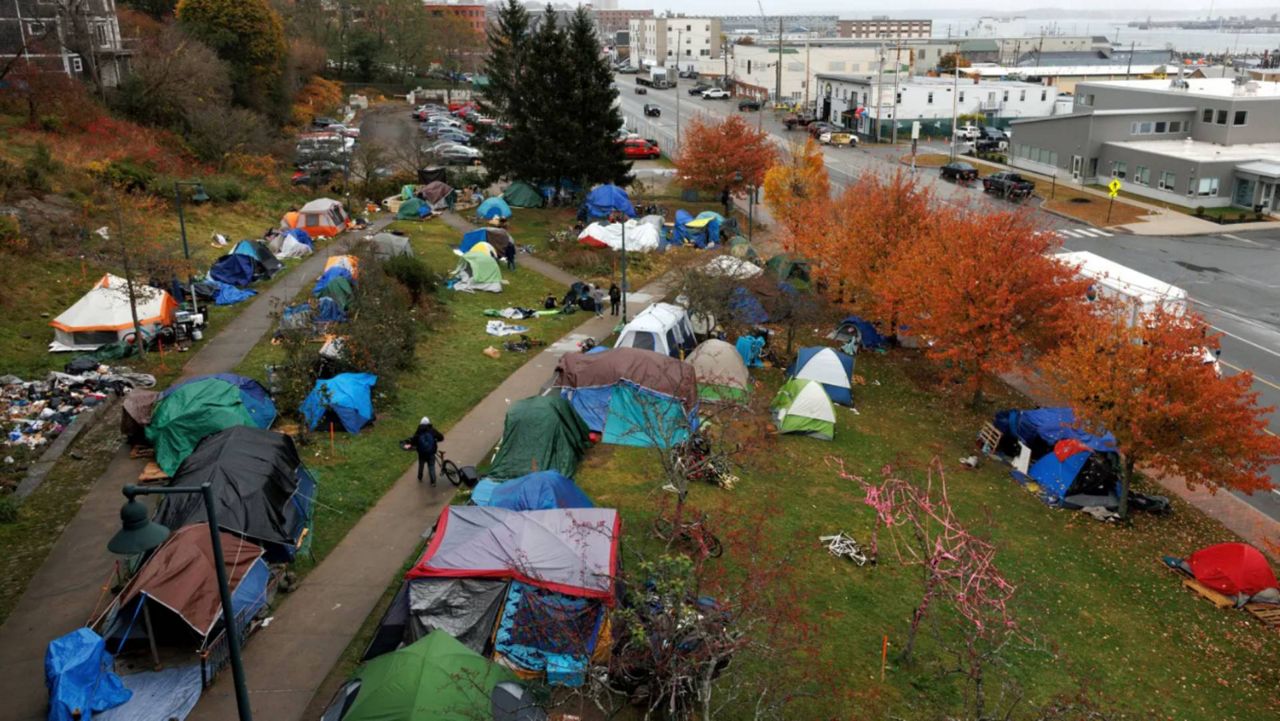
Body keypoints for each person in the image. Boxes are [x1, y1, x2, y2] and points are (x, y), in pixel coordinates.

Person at [407, 417, 445, 485]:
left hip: (422, 453)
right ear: (428, 423)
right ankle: (433, 481)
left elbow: (413, 442)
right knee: (431, 466)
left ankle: (420, 477)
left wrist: (411, 444)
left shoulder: (418, 432)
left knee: (421, 465)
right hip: (431, 452)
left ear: (421, 424)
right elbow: (441, 437)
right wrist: (435, 440)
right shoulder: (432, 430)